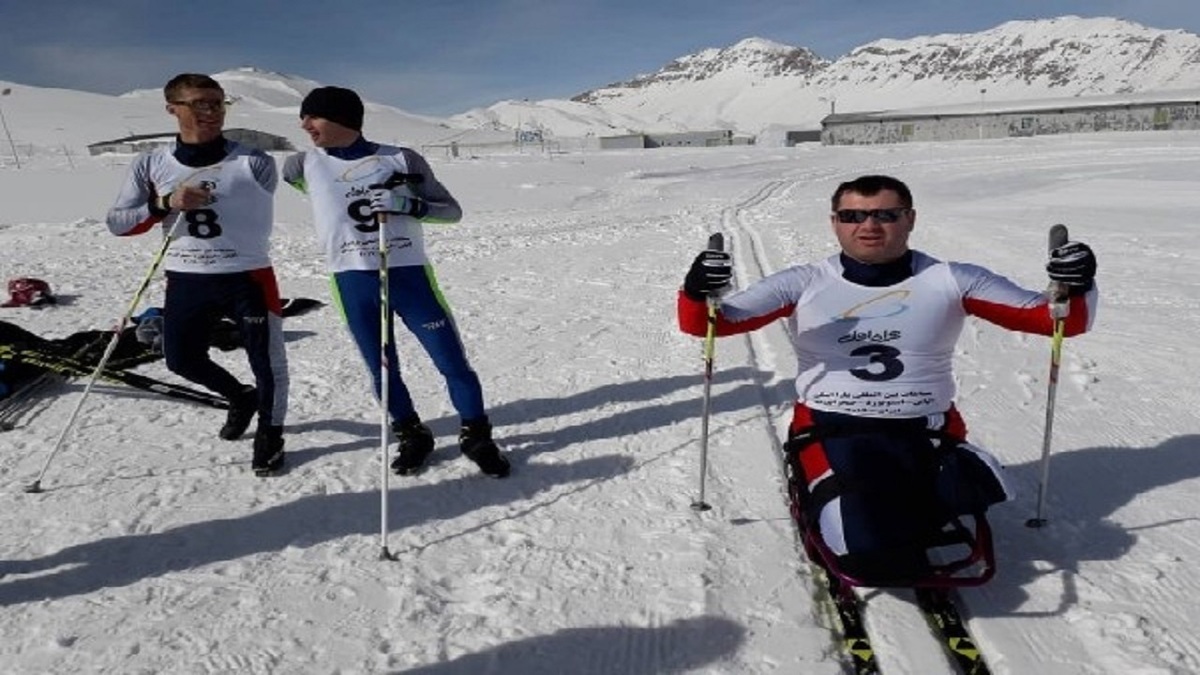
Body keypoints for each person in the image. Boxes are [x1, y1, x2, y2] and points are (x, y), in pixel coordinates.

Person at [677, 174, 1098, 585]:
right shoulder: (803, 282)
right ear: (834, 222)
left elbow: (1057, 321)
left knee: (947, 508)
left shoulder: (953, 278)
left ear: (910, 218)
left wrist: (1076, 284)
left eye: (886, 214)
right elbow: (711, 324)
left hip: (926, 428)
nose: (869, 226)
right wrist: (698, 291)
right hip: (832, 427)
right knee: (869, 557)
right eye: (852, 216)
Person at [281, 86, 509, 478]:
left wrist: (408, 205)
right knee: (383, 371)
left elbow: (451, 212)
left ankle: (476, 435)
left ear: (341, 118)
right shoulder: (300, 165)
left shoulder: (401, 158)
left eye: (312, 116)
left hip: (408, 275)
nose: (304, 125)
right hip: (352, 280)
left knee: (452, 362)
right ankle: (411, 433)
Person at [105, 73, 289, 476]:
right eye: (200, 103)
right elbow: (118, 223)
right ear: (172, 108)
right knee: (181, 359)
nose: (212, 112)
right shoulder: (150, 163)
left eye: (218, 103)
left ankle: (271, 433)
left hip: (247, 276)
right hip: (187, 277)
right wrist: (163, 203)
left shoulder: (255, 161)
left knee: (267, 362)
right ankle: (240, 396)